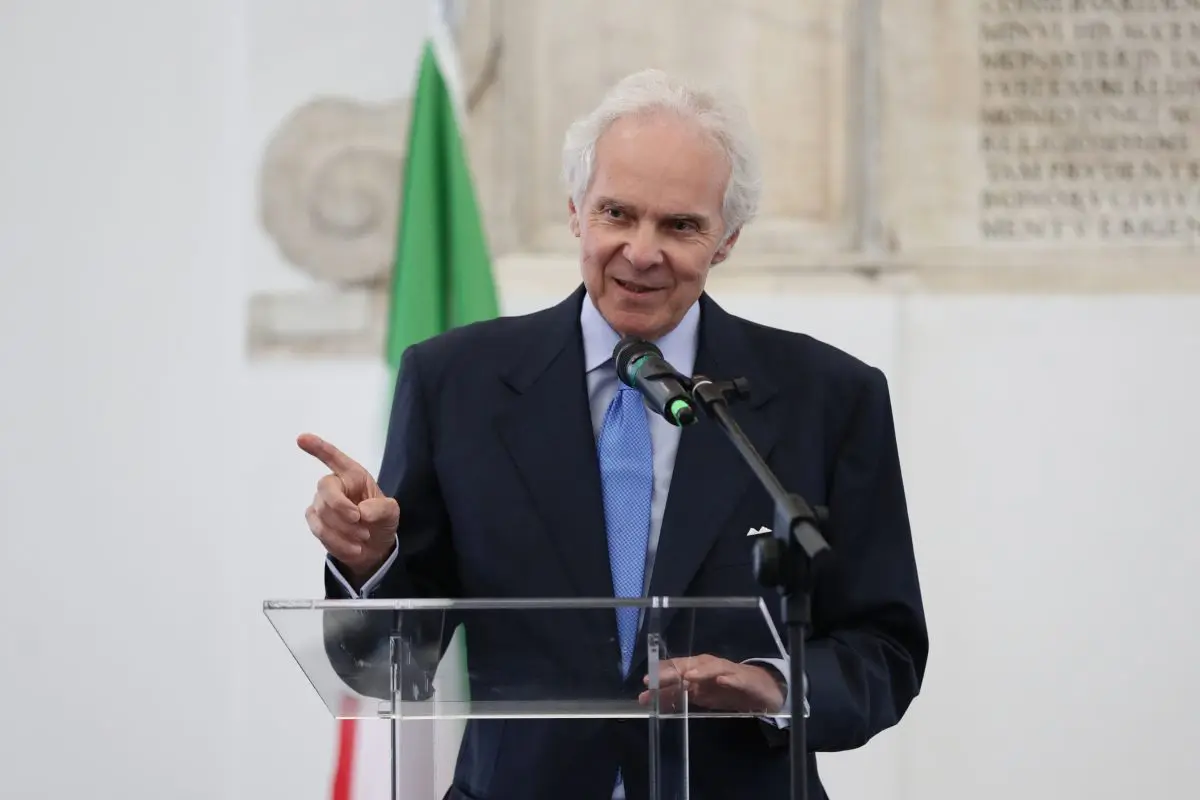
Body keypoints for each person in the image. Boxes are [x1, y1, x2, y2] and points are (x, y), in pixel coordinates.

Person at [300, 68, 927, 800]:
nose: (641, 251)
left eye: (681, 225)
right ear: (576, 212)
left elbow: (885, 650)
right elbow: (391, 665)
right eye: (617, 214)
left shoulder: (829, 398)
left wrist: (774, 684)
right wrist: (371, 562)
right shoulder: (455, 385)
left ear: (726, 240)